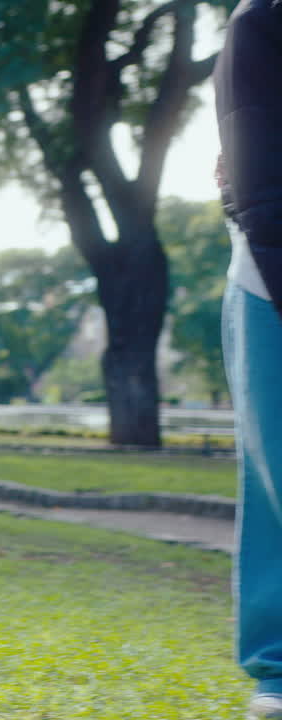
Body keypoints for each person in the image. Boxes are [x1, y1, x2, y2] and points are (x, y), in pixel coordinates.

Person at [214, 4, 282, 718]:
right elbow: (261, 181)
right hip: (271, 276)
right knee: (279, 473)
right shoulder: (261, 21)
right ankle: (280, 669)